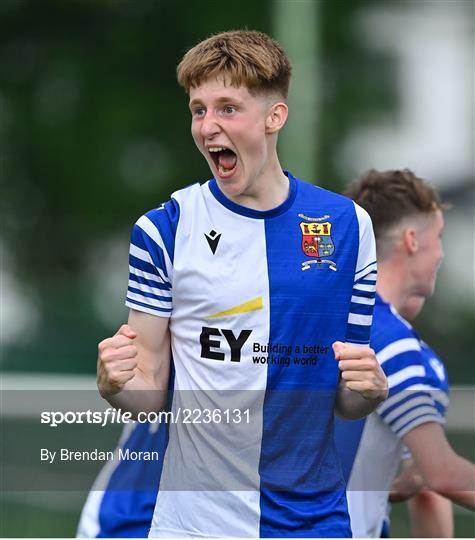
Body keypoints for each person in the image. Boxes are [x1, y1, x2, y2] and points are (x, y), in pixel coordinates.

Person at [95, 30, 388, 538]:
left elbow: (346, 396)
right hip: (191, 524)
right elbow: (148, 390)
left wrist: (370, 390)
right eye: (198, 109)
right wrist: (114, 385)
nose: (208, 126)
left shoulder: (347, 226)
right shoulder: (163, 229)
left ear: (275, 116)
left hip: (311, 523)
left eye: (228, 108)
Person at [334, 168, 475, 538]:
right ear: (412, 240)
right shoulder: (395, 342)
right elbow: (439, 478)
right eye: (439, 237)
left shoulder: (324, 318)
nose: (442, 254)